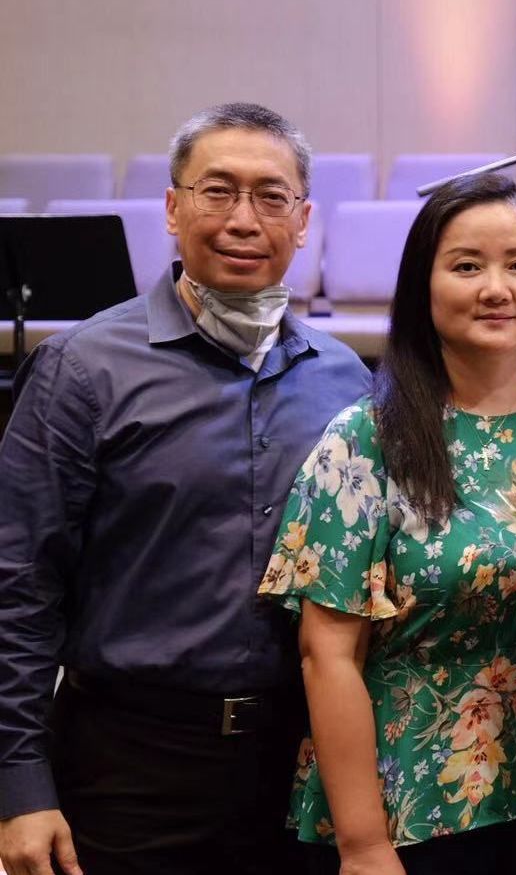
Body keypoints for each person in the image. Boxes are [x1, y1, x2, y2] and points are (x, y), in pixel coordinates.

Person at [0, 102, 370, 874]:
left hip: (298, 761)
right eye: (217, 191)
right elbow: (18, 589)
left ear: (302, 221)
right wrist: (19, 785)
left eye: (271, 197)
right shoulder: (83, 369)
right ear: (173, 208)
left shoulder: (342, 379)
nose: (244, 218)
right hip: (128, 764)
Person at [258, 173, 516, 875]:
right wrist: (362, 843)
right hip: (405, 804)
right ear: (425, 285)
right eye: (467, 265)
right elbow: (327, 655)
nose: (496, 288)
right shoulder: (366, 438)